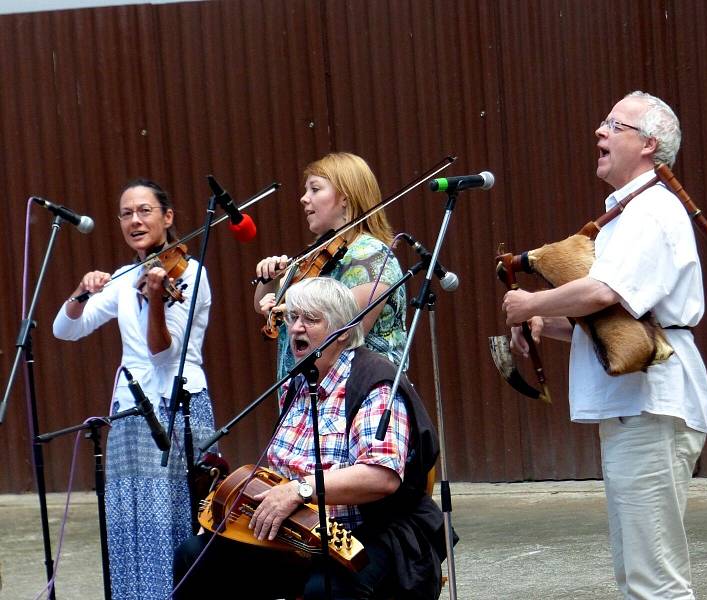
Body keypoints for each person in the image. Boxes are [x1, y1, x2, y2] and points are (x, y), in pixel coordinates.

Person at [502, 91, 707, 599]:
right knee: (637, 573)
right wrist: (547, 324)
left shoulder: (652, 210)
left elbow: (605, 292)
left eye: (614, 125)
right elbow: (616, 318)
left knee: (653, 578)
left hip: (652, 404)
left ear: (648, 144)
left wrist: (531, 305)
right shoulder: (630, 212)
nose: (600, 132)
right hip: (637, 406)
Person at [174, 277, 445, 599]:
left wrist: (300, 489)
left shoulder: (373, 383)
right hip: (298, 532)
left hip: (368, 531)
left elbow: (380, 477)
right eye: (293, 318)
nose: (296, 328)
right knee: (197, 556)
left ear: (344, 331)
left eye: (311, 319)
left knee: (324, 590)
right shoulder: (299, 384)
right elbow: (279, 469)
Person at [52, 179, 216, 600]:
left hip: (177, 409)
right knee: (130, 522)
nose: (135, 220)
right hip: (129, 412)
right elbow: (66, 329)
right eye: (126, 213)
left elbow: (163, 355)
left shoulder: (192, 274)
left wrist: (157, 301)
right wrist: (81, 291)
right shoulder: (127, 277)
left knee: (171, 520)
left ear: (168, 217)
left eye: (144, 210)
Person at [254, 152, 407, 380]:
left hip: (359, 396)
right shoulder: (318, 252)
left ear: (345, 197)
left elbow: (342, 329)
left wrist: (288, 309)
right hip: (313, 397)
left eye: (315, 189)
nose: (304, 198)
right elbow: (261, 306)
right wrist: (270, 279)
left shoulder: (370, 256)